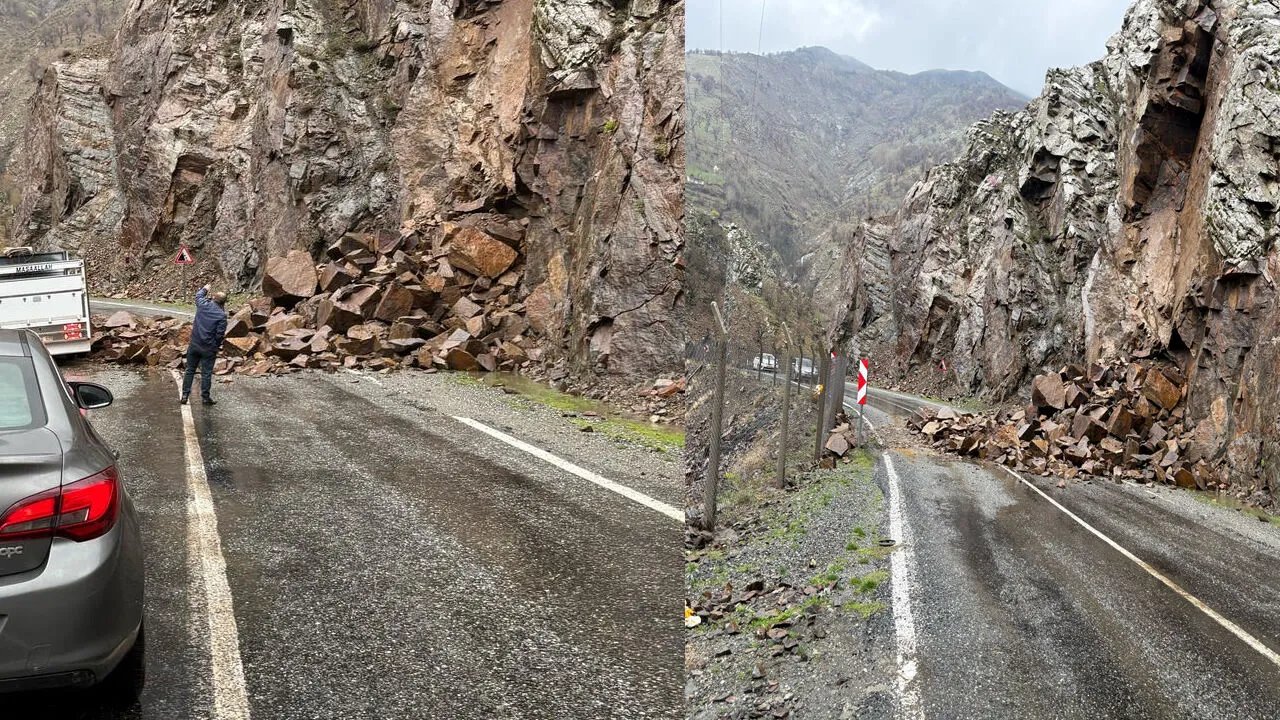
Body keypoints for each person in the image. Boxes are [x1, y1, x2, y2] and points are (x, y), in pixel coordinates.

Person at [181, 284, 228, 405]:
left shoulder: (203, 305)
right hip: (208, 348)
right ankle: (205, 398)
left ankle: (185, 395)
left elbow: (198, 296)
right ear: (224, 303)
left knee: (190, 370)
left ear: (213, 298)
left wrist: (205, 288)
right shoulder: (222, 316)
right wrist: (215, 346)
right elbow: (219, 334)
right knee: (206, 373)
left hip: (195, 344)